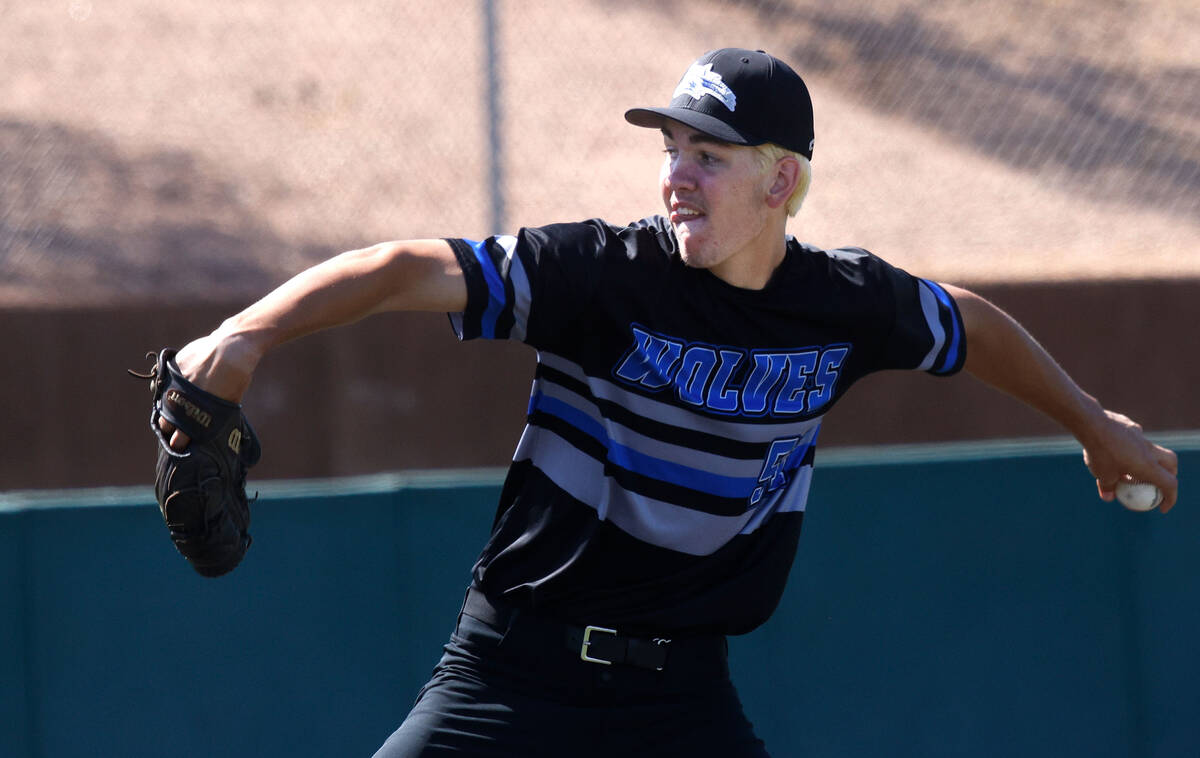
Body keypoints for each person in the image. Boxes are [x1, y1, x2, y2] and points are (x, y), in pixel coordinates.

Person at [158, 48, 1179, 757]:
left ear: (782, 181)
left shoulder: (843, 303)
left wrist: (1095, 422)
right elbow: (400, 269)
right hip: (514, 675)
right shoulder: (603, 275)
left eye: (709, 156)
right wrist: (245, 336)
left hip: (680, 700)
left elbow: (966, 323)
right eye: (670, 150)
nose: (676, 177)